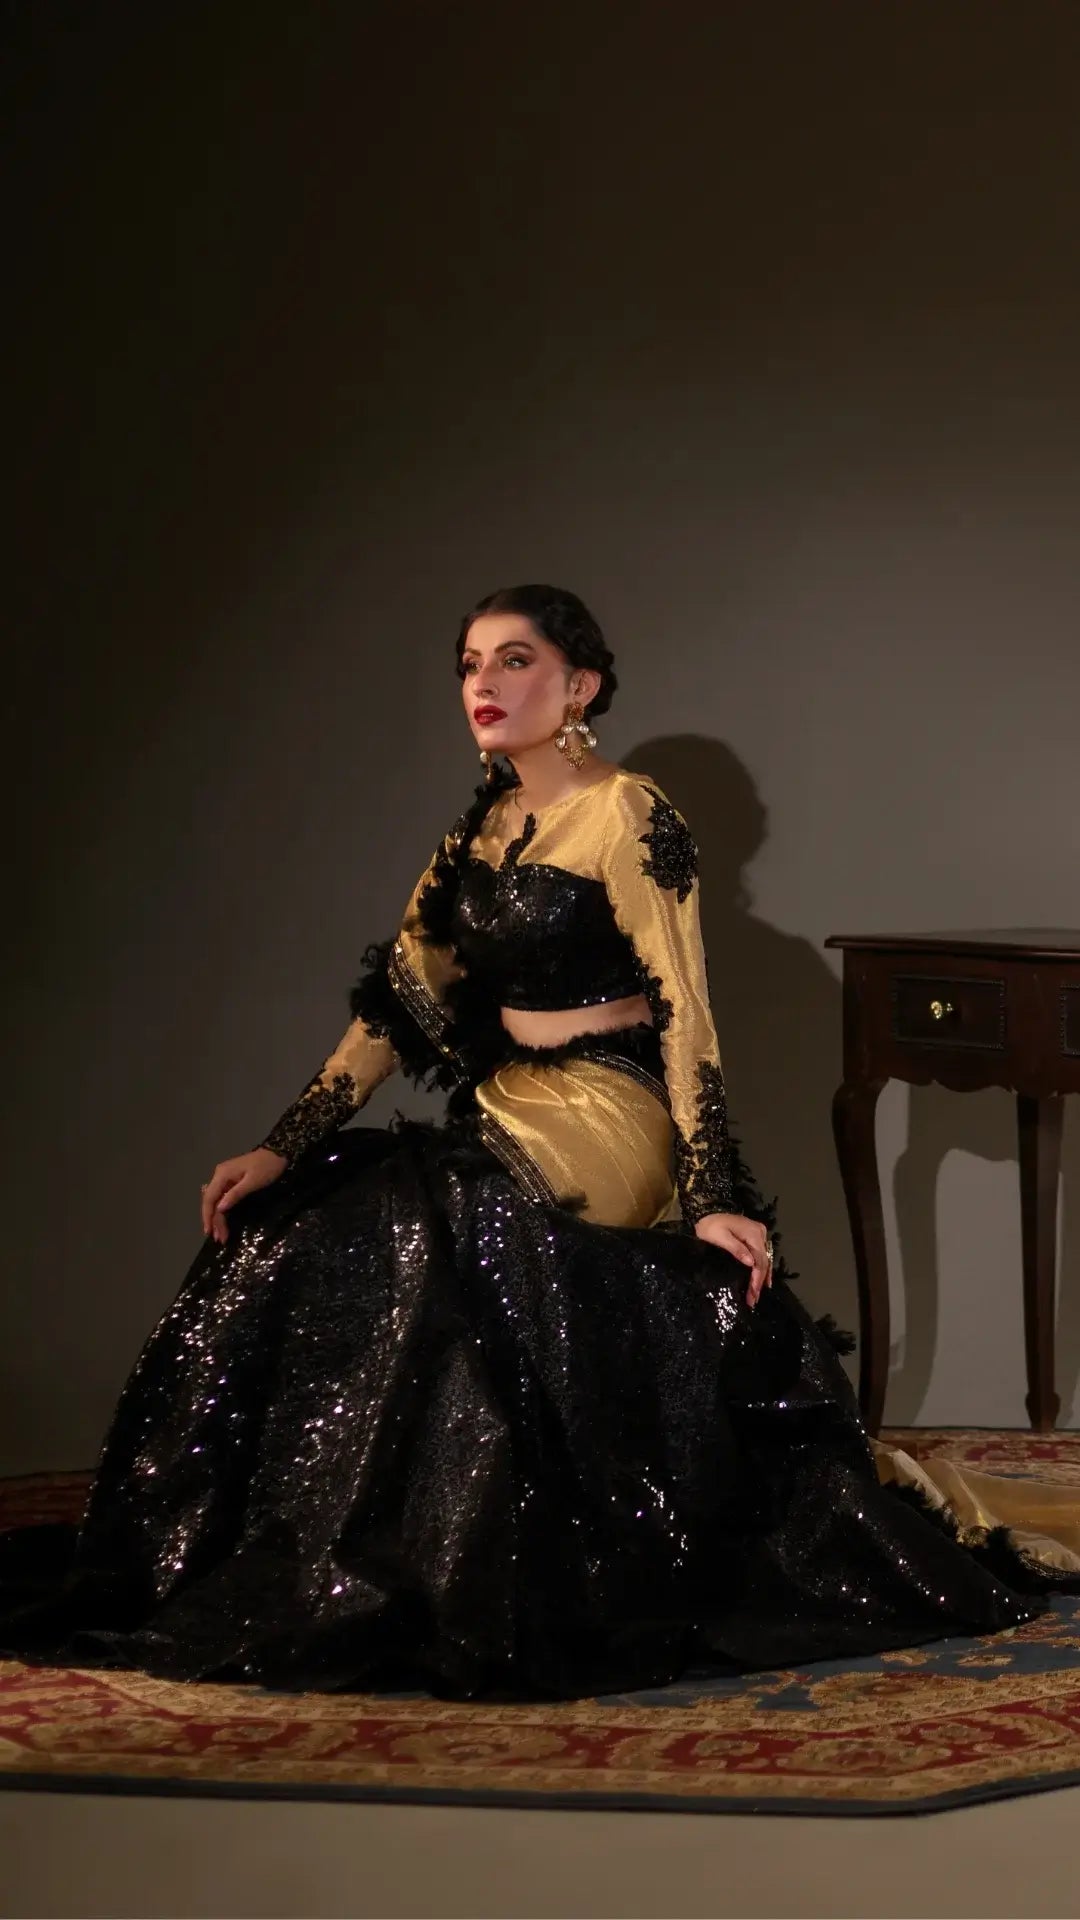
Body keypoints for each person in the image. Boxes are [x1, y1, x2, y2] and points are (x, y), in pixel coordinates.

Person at [2, 584, 1078, 1702]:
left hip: (613, 1114)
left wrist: (713, 1188)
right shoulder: (475, 828)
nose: (483, 682)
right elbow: (395, 1010)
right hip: (507, 1102)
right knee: (313, 1222)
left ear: (580, 687)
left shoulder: (630, 812)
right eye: (469, 661)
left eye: (514, 660)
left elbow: (688, 1009)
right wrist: (279, 1144)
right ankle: (349, 1562)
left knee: (443, 1215)